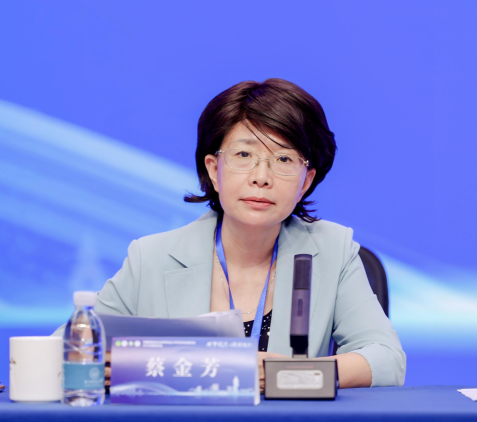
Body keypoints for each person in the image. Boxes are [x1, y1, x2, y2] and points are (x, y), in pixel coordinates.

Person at [59, 78, 406, 391]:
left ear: (306, 181)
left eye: (284, 159)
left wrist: (285, 375)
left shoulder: (333, 251)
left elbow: (387, 360)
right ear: (214, 169)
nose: (261, 177)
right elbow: (66, 352)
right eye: (244, 154)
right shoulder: (152, 257)